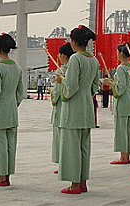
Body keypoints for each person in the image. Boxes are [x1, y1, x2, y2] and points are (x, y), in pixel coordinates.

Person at [56, 25, 99, 194]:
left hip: (74, 107)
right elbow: (95, 85)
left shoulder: (76, 59)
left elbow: (71, 86)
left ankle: (74, 184)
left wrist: (62, 83)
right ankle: (82, 181)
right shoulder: (93, 60)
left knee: (72, 147)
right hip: (87, 105)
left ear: (74, 42)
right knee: (84, 147)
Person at [0, 33, 24, 187]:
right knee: (10, 145)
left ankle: (2, 177)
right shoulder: (17, 67)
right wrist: (13, 103)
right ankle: (6, 175)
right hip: (12, 110)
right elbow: (20, 93)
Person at [105, 42, 130, 165]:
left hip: (123, 101)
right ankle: (127, 155)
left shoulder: (121, 68)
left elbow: (121, 86)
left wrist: (111, 84)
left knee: (121, 130)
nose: (117, 54)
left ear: (122, 53)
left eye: (118, 52)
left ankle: (123, 157)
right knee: (128, 130)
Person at [51, 42, 74, 174]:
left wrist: (53, 97)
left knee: (61, 137)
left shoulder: (61, 72)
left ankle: (63, 164)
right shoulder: (73, 70)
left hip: (61, 107)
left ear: (63, 55)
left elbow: (57, 91)